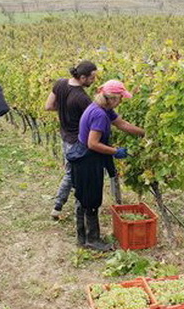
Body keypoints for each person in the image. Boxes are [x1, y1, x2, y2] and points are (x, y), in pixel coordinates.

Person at [68, 80, 145, 251]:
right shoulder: (100, 115)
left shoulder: (103, 108)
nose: (121, 101)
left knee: (84, 196)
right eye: (120, 98)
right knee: (91, 197)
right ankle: (92, 239)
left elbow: (122, 124)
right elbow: (93, 143)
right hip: (87, 158)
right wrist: (115, 151)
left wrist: (144, 133)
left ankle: (83, 237)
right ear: (112, 98)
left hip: (84, 156)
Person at [45, 60, 98, 219]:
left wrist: (64, 109)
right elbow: (92, 121)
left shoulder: (60, 83)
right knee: (73, 173)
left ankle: (61, 205)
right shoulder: (82, 98)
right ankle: (59, 206)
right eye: (92, 78)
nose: (93, 81)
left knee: (70, 171)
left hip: (65, 135)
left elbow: (48, 106)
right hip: (77, 140)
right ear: (82, 77)